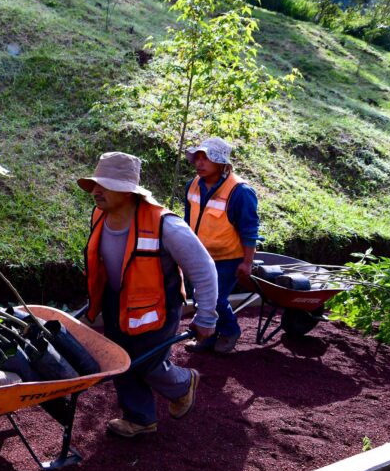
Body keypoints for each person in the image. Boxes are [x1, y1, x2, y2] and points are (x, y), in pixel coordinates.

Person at [79, 151, 218, 437]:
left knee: (146, 361)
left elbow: (203, 269)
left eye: (104, 185)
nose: (95, 191)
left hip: (159, 304)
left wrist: (206, 315)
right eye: (95, 184)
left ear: (129, 192)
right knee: (120, 359)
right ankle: (139, 418)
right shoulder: (99, 215)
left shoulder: (166, 225)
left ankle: (182, 383)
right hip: (117, 300)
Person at [182, 138, 259, 355]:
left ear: (221, 162)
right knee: (199, 297)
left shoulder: (240, 192)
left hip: (228, 257)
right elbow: (188, 222)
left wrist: (247, 262)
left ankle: (229, 331)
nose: (199, 163)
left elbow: (249, 230)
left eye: (206, 158)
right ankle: (207, 336)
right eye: (197, 157)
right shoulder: (193, 185)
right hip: (200, 254)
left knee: (215, 299)